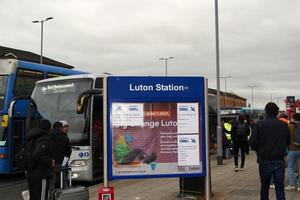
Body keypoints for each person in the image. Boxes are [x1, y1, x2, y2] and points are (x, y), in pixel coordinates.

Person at [249, 102, 290, 200]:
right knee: (280, 189)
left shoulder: (259, 124)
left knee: (265, 187)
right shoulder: (284, 125)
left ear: (266, 111)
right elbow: (288, 141)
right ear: (277, 112)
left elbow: (252, 143)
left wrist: (260, 149)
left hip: (264, 160)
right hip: (279, 160)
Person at [26, 119, 55, 200]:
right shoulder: (44, 138)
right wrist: (50, 161)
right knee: (42, 197)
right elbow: (37, 154)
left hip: (31, 173)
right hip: (41, 174)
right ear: (49, 128)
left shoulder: (32, 137)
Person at [48, 121, 72, 190]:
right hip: (61, 163)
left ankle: (51, 196)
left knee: (51, 183)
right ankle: (65, 196)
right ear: (60, 128)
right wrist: (64, 162)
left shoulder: (48, 136)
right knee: (63, 181)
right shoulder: (64, 137)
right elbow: (68, 151)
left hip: (51, 163)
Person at [285, 113, 300, 191]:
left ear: (293, 118)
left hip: (292, 149)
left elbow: (287, 137)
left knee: (290, 167)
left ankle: (292, 185)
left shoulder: (290, 126)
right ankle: (299, 185)